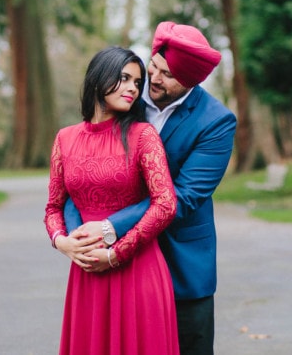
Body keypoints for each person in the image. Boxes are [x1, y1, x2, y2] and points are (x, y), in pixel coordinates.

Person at [65, 22, 237, 355]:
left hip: (181, 263)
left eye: (168, 75)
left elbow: (183, 198)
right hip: (121, 266)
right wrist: (78, 238)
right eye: (153, 67)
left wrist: (110, 228)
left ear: (191, 82)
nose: (154, 79)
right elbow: (81, 173)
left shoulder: (216, 121)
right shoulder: (125, 96)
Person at [44, 45, 179, 355]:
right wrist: (62, 242)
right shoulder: (65, 138)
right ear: (98, 77)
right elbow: (53, 206)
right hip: (87, 271)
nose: (133, 88)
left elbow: (165, 203)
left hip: (137, 268)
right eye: (124, 78)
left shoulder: (143, 135)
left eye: (137, 82)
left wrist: (116, 253)